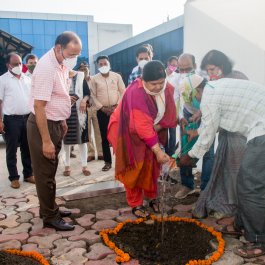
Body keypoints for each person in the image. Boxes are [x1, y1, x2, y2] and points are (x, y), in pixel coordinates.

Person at [179, 77, 265, 259]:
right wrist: (198, 133)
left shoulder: (210, 96)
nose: (194, 103)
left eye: (191, 99)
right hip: (259, 126)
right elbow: (214, 123)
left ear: (196, 92)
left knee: (250, 186)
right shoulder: (215, 87)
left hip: (262, 129)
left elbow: (208, 135)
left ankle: (259, 240)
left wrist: (190, 156)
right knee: (245, 181)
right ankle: (240, 225)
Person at [27, 31, 82, 231]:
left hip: (56, 122)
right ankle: (50, 217)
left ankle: (50, 208)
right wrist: (46, 140)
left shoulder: (59, 64)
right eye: (71, 54)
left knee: (50, 171)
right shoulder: (46, 67)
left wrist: (63, 120)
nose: (74, 59)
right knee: (44, 174)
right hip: (44, 126)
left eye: (77, 55)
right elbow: (40, 106)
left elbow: (59, 96)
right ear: (59, 48)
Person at [108, 60, 177, 218]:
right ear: (143, 81)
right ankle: (136, 204)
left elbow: (170, 115)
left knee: (153, 167)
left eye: (161, 82)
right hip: (128, 133)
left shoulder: (168, 89)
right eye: (153, 84)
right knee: (134, 168)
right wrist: (158, 150)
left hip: (152, 132)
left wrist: (157, 131)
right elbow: (141, 126)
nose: (158, 87)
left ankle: (153, 197)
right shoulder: (136, 92)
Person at [191, 50, 248, 219]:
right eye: (207, 71)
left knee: (236, 173)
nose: (210, 74)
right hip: (225, 134)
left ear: (222, 66)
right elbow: (214, 106)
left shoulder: (237, 78)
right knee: (224, 171)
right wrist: (200, 113)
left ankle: (239, 209)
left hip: (240, 134)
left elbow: (235, 108)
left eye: (212, 69)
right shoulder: (215, 83)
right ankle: (226, 204)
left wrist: (194, 151)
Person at [175, 53, 214, 199]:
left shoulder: (205, 77)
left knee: (208, 151)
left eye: (188, 68)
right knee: (185, 148)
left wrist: (201, 111)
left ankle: (205, 188)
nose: (185, 72)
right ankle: (187, 185)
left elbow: (212, 100)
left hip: (206, 113)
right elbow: (177, 100)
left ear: (195, 66)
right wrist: (181, 118)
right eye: (181, 69)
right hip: (187, 113)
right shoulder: (177, 79)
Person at [0, 53, 35, 189]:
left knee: (27, 148)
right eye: (15, 64)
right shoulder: (2, 80)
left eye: (20, 63)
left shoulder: (27, 79)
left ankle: (28, 174)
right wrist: (0, 120)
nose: (19, 66)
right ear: (8, 65)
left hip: (27, 118)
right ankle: (14, 177)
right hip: (11, 120)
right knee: (11, 149)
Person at [90, 55, 125, 171]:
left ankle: (122, 162)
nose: (103, 66)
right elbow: (93, 96)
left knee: (119, 136)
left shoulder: (117, 76)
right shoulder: (94, 79)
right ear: (97, 65)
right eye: (101, 64)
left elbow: (123, 91)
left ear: (109, 64)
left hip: (116, 111)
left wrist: (116, 107)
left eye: (105, 63)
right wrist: (102, 108)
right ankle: (107, 162)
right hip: (102, 112)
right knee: (104, 137)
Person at [63, 61, 90, 177]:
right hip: (64, 111)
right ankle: (67, 166)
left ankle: (84, 166)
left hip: (80, 111)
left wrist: (84, 101)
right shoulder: (59, 75)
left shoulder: (80, 75)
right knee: (65, 140)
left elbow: (87, 93)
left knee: (82, 140)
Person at [85, 64, 103, 162]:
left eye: (85, 67)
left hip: (95, 107)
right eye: (81, 68)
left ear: (89, 69)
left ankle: (100, 153)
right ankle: (90, 153)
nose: (84, 69)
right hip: (85, 109)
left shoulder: (95, 79)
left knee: (98, 131)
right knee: (87, 132)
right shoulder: (79, 81)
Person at [165, 55, 180, 156]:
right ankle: (164, 150)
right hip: (162, 107)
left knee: (173, 131)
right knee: (163, 131)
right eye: (172, 65)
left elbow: (179, 93)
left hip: (173, 107)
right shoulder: (161, 74)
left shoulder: (177, 76)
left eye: (176, 65)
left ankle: (171, 153)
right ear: (168, 63)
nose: (174, 67)